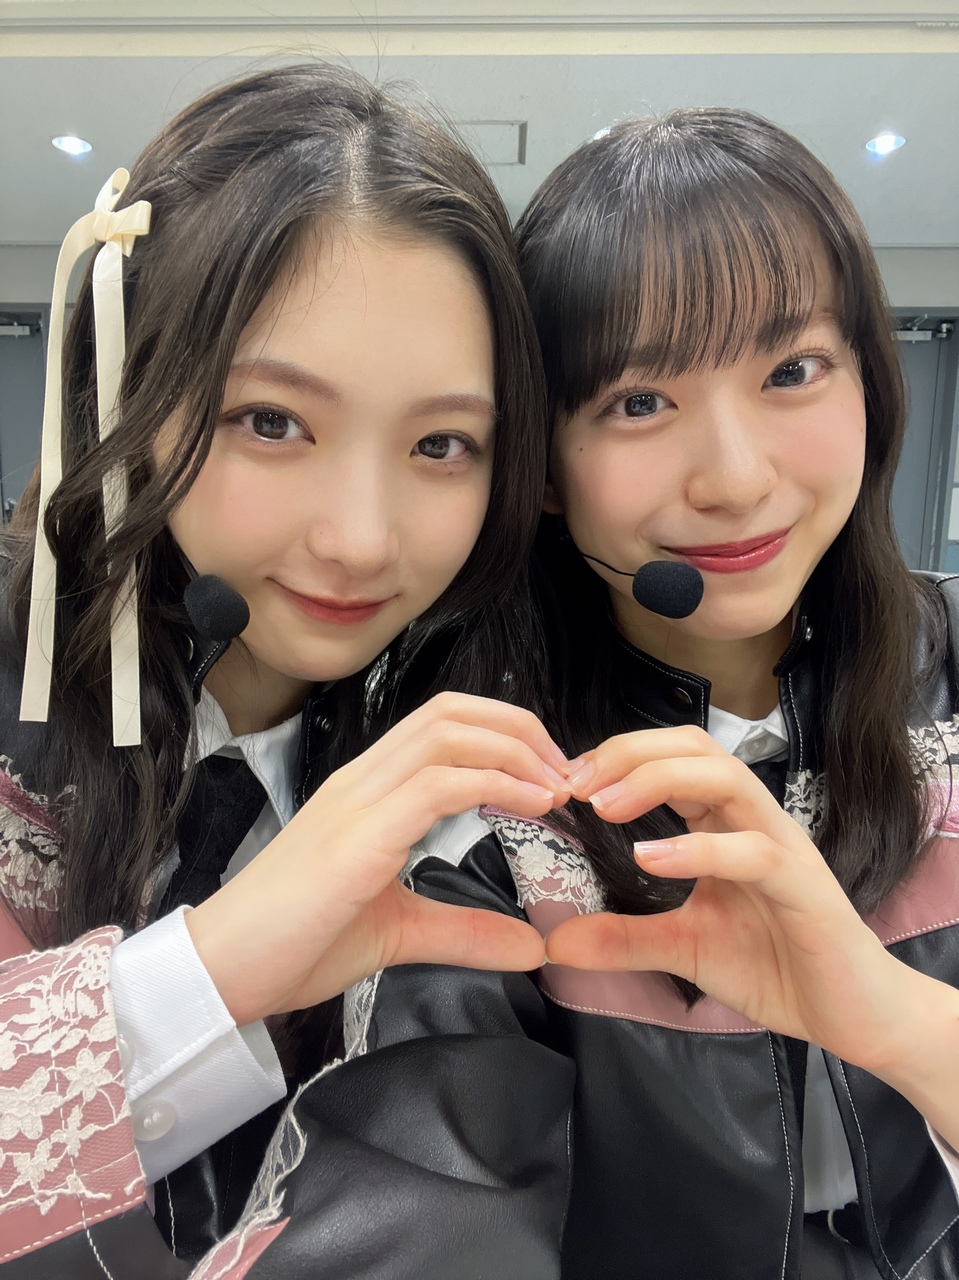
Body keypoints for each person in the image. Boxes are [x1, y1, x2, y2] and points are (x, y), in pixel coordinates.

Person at [283, 110, 959, 1280]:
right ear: (542, 465)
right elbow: (420, 1193)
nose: (735, 478)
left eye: (791, 371)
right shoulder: (481, 790)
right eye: (639, 401)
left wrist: (897, 1020)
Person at [0, 63, 573, 1276]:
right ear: (129, 386)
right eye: (271, 421)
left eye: (441, 443)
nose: (360, 538)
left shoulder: (473, 764)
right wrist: (213, 969)